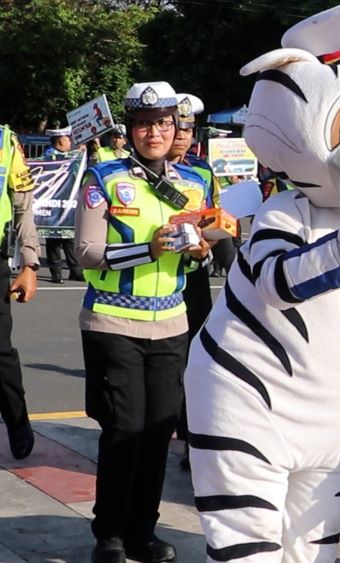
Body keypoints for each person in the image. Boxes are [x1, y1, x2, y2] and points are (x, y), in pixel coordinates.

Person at [75, 81, 212, 563]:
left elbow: (193, 262)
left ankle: (142, 530)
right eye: (143, 124)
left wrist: (198, 253)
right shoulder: (104, 177)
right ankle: (109, 532)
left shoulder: (194, 182)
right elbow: (86, 255)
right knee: (123, 429)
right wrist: (146, 249)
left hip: (172, 325)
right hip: (113, 322)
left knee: (158, 432)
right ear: (130, 129)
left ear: (177, 128)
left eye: (163, 123)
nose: (154, 132)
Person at [166, 92, 220, 470]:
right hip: (157, 274)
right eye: (178, 128)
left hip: (194, 274)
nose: (182, 136)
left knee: (196, 358)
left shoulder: (201, 172)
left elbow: (217, 217)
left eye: (188, 129)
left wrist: (212, 236)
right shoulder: (141, 170)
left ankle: (191, 437)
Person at [0, 124, 41, 461]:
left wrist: (30, 263)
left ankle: (16, 421)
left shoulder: (4, 141)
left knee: (0, 353)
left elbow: (22, 208)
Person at [40, 126, 85, 283]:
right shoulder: (50, 155)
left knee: (69, 237)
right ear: (60, 140)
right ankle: (56, 273)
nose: (70, 142)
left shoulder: (69, 155)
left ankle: (75, 270)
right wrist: (78, 153)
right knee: (53, 238)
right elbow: (61, 164)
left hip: (68, 202)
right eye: (68, 139)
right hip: (52, 203)